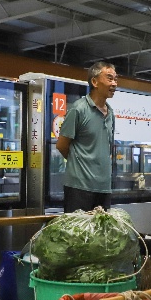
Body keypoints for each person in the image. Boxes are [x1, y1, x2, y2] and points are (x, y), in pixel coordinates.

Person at [56, 61, 116, 213]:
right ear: (94, 81)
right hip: (79, 186)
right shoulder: (78, 109)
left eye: (115, 79)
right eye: (109, 78)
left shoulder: (111, 113)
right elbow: (62, 145)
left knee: (102, 235)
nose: (114, 83)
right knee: (77, 235)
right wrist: (80, 164)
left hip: (104, 187)